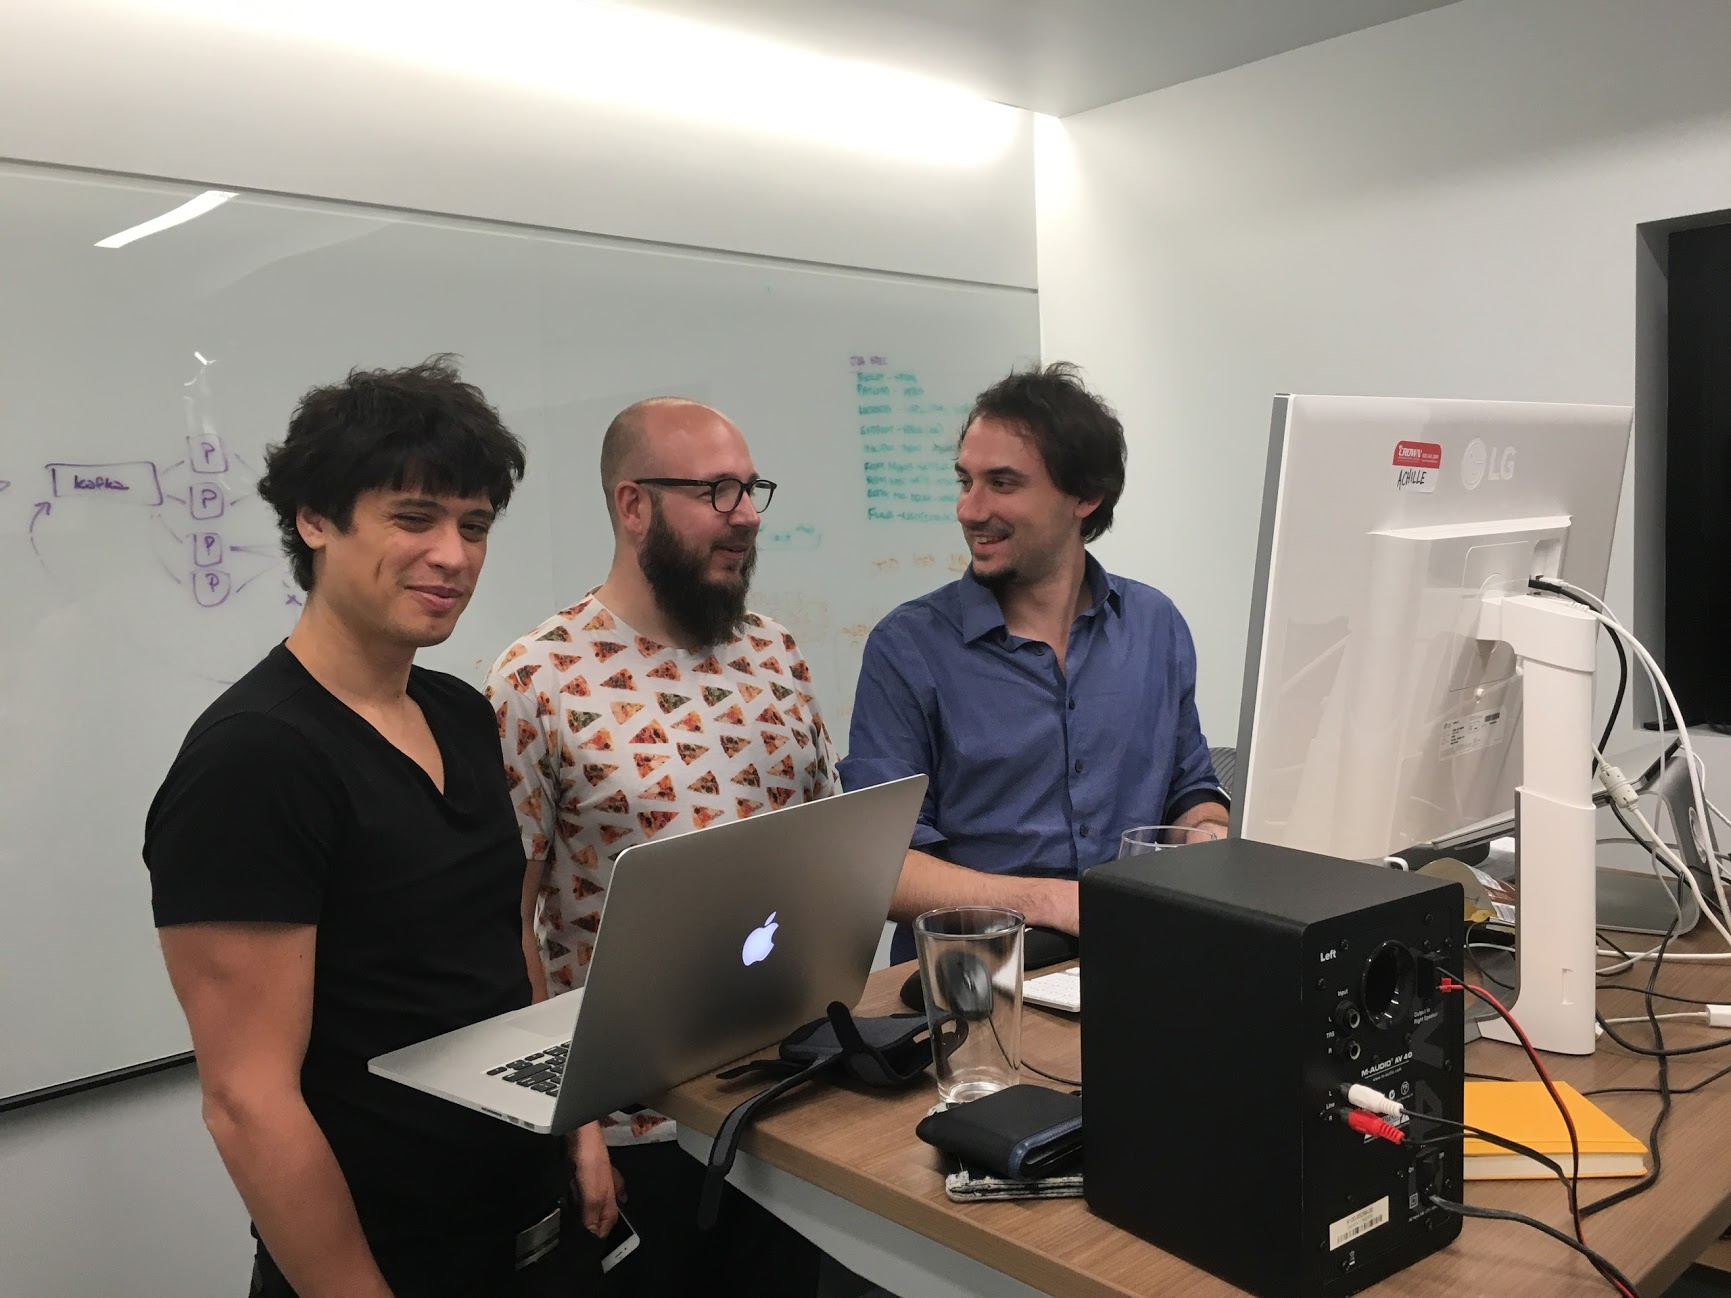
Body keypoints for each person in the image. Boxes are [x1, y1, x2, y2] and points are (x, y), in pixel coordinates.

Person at [143, 358, 590, 1297]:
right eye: (414, 517)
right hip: (386, 1264)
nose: (454, 555)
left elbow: (509, 947)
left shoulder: (462, 714)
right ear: (314, 519)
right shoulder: (256, 758)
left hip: (528, 1226)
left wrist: (576, 1122)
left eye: (474, 526)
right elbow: (245, 1100)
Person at [485, 397, 831, 1295]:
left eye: (750, 489)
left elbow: (827, 865)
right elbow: (507, 926)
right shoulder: (538, 678)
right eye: (716, 492)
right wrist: (572, 1126)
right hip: (636, 1133)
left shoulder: (778, 657)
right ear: (632, 505)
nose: (746, 515)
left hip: (786, 1109)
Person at [840, 362, 1229, 962]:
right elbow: (884, 869)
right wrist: (1055, 903)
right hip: (972, 981)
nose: (969, 510)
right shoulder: (908, 647)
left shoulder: (1155, 625)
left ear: (1086, 497)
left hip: (1138, 956)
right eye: (964, 481)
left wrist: (1205, 834)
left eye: (1002, 483)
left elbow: (1190, 788)